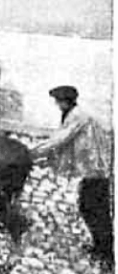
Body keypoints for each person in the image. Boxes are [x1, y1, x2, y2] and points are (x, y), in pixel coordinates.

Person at [31, 85, 113, 263]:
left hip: (97, 169)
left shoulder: (77, 116)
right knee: (92, 207)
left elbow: (59, 140)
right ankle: (102, 246)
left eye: (58, 102)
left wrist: (30, 153)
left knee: (92, 208)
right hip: (93, 167)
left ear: (66, 102)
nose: (56, 105)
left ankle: (106, 250)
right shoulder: (76, 113)